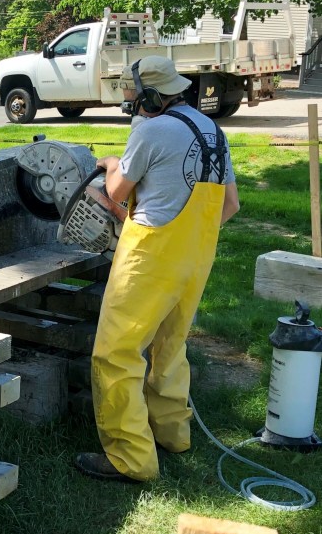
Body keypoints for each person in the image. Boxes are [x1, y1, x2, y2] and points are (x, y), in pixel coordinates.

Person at [73, 55, 240, 483]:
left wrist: (113, 163)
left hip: (150, 256)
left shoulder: (151, 131)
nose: (128, 102)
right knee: (170, 347)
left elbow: (115, 193)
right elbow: (231, 206)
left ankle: (129, 459)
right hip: (197, 255)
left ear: (149, 95)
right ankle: (173, 435)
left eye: (131, 95)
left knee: (116, 353)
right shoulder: (213, 131)